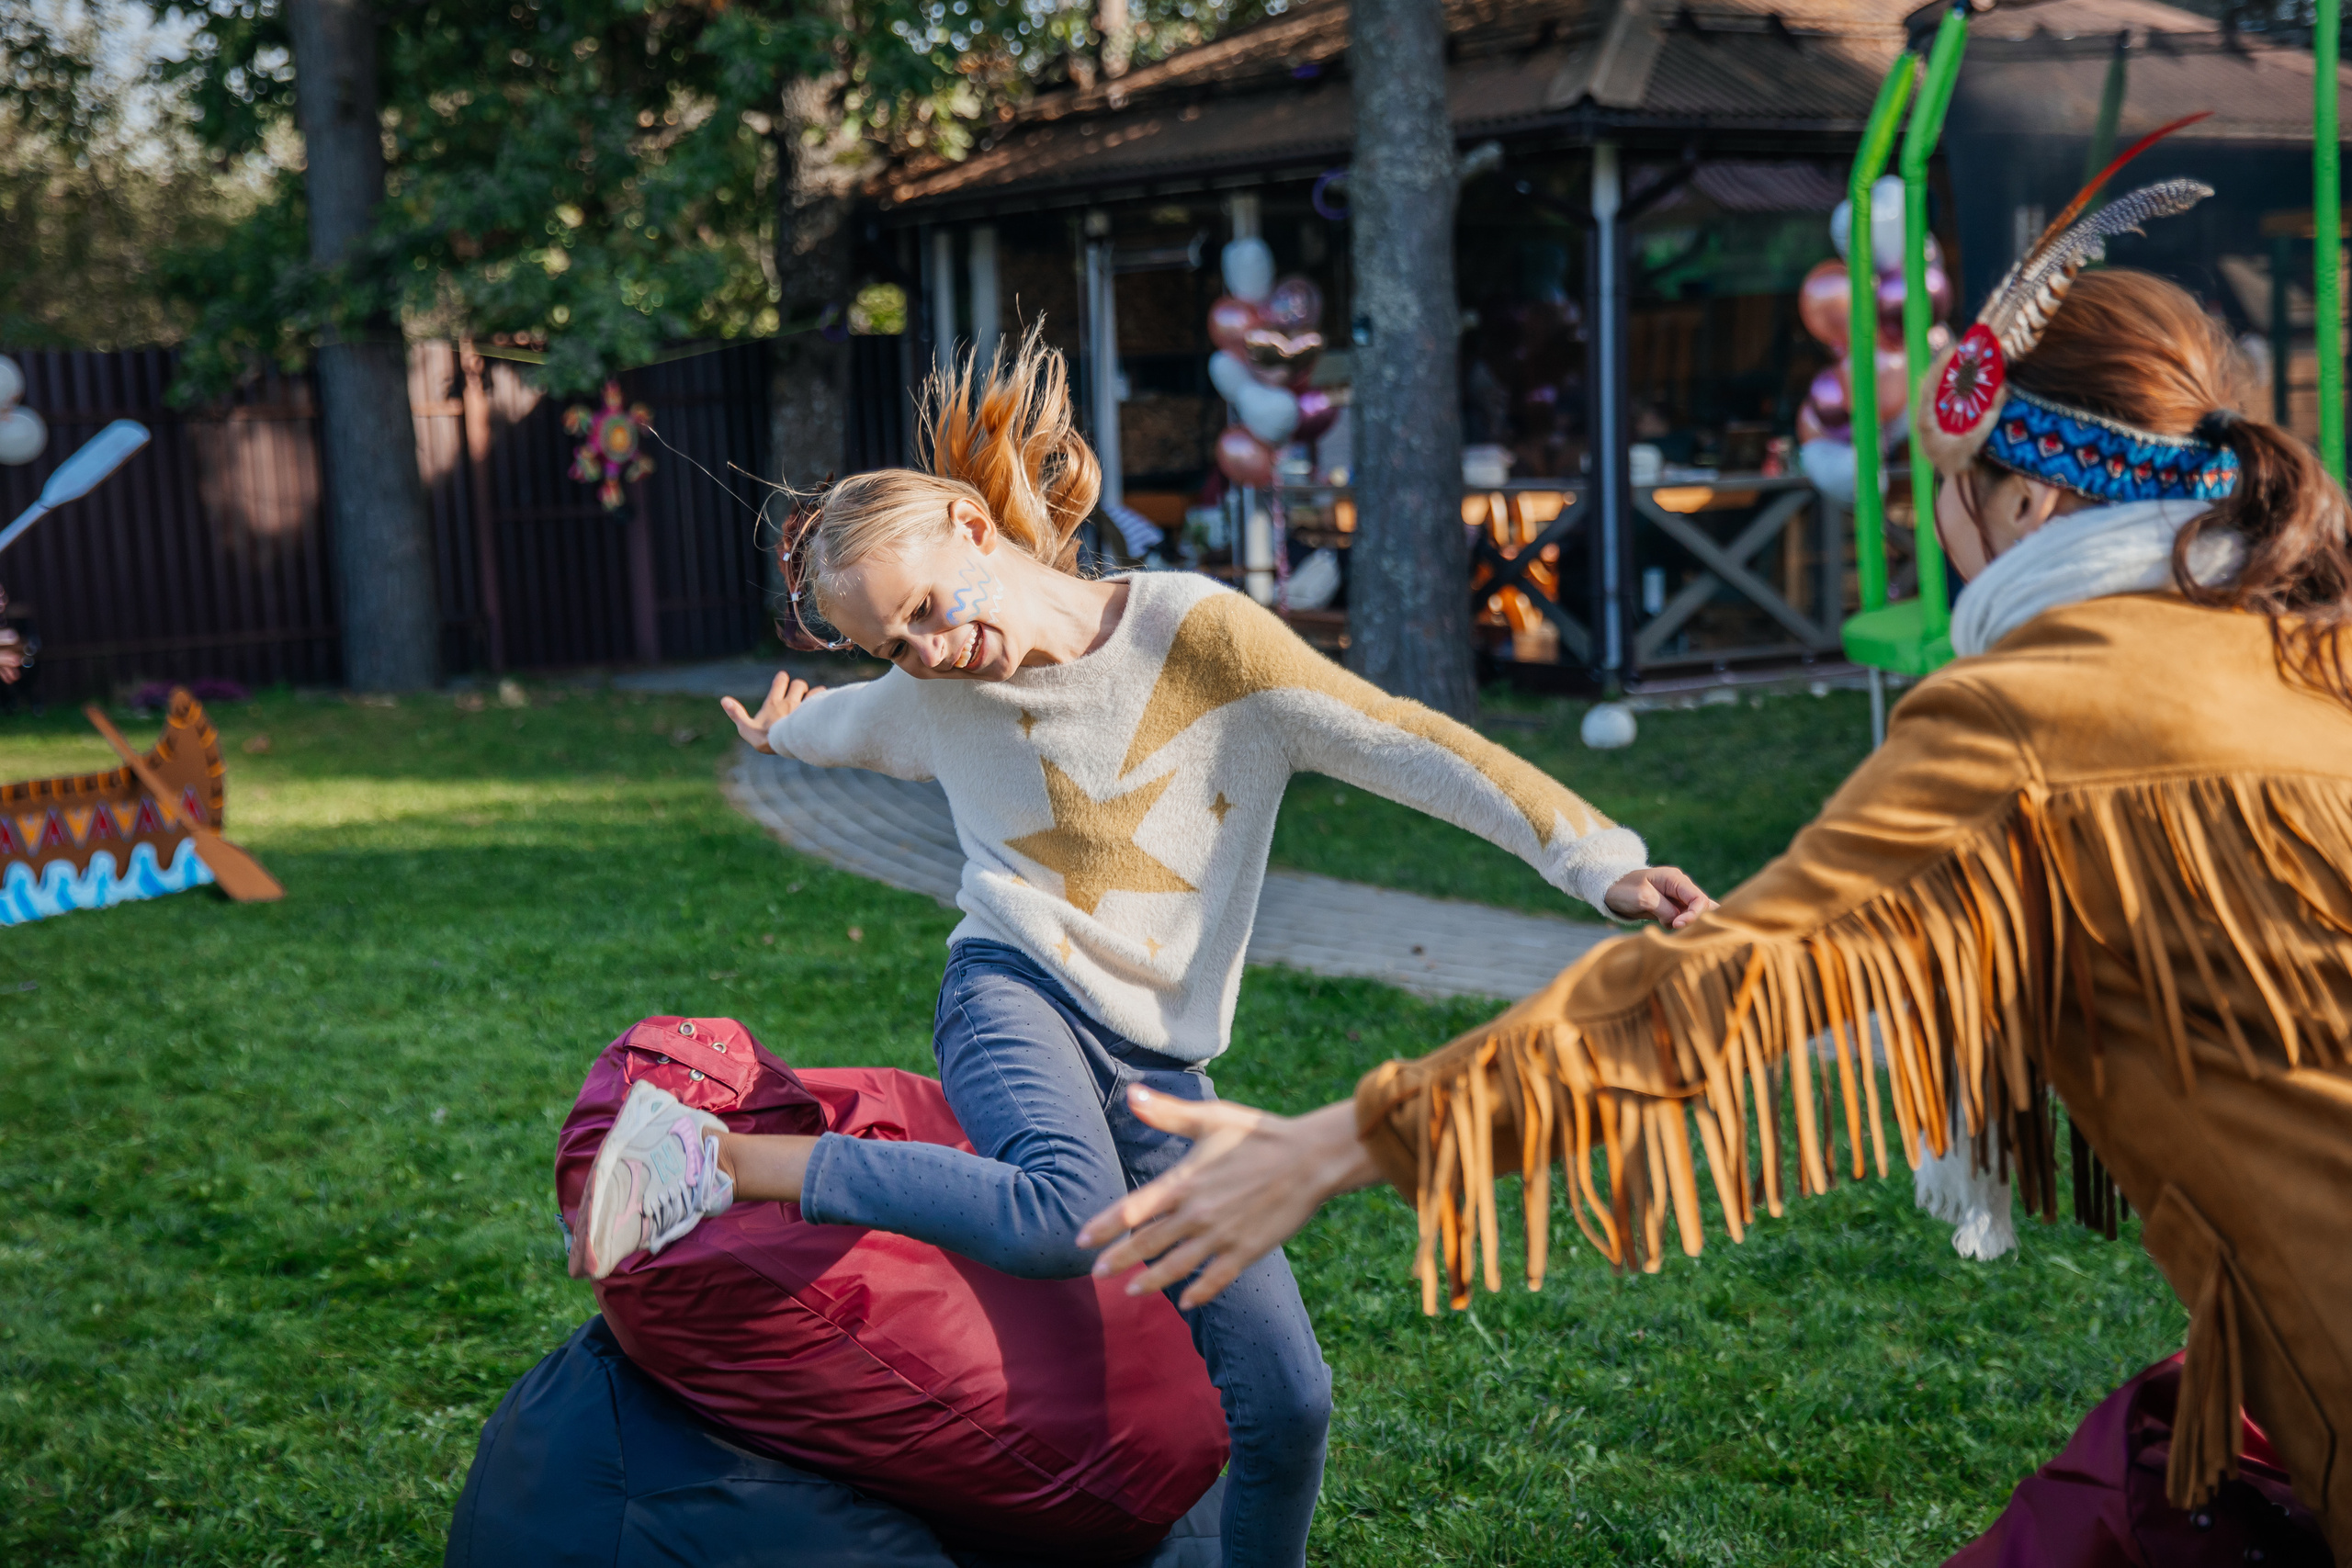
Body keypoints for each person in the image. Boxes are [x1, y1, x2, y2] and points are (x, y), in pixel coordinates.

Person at [1076, 233, 2352, 1556]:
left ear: (2026, 502)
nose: (1932, 531)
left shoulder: (2038, 710)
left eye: (1939, 494)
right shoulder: (2314, 650)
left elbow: (1723, 985)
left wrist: (1339, 1141)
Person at [568, 325, 1714, 1568]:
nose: (933, 655)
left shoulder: (1204, 641)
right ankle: (716, 1159)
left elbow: (1411, 744)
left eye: (929, 617)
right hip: (1007, 991)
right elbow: (853, 726)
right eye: (895, 645)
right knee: (1062, 1218)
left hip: (1159, 1069)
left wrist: (1600, 860)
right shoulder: (937, 694)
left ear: (969, 522)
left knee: (1288, 1402)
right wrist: (787, 731)